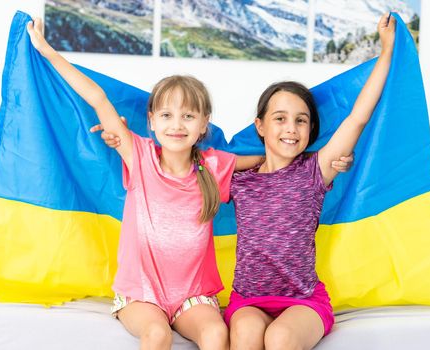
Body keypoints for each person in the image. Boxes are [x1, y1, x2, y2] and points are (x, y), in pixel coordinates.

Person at [26, 18, 265, 350]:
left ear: (203, 124)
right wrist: (48, 52)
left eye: (188, 116)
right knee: (156, 334)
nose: (177, 125)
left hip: (193, 296)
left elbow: (269, 160)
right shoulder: (139, 155)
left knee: (215, 333)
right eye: (166, 115)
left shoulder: (213, 165)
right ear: (151, 121)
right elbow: (97, 99)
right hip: (141, 294)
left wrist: (323, 158)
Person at [223, 13, 396, 350]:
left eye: (301, 120)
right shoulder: (239, 179)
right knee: (245, 336)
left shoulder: (314, 171)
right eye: (280, 119)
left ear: (310, 130)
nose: (291, 128)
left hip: (303, 302)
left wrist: (386, 51)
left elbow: (358, 117)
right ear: (260, 125)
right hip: (248, 299)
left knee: (280, 337)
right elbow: (182, 163)